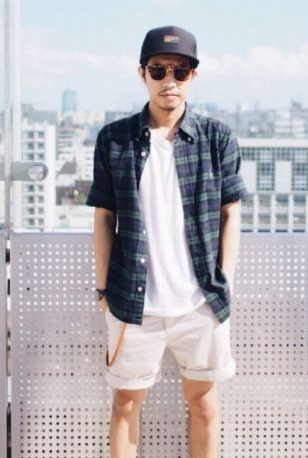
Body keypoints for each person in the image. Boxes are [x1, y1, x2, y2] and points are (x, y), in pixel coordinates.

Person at [86, 25, 247, 458]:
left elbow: (231, 212)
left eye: (181, 70)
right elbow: (104, 216)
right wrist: (103, 288)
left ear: (193, 76)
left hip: (199, 302)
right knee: (124, 405)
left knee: (205, 405)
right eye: (159, 70)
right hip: (131, 301)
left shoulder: (217, 138)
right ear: (142, 73)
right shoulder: (114, 139)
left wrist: (223, 282)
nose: (169, 80)